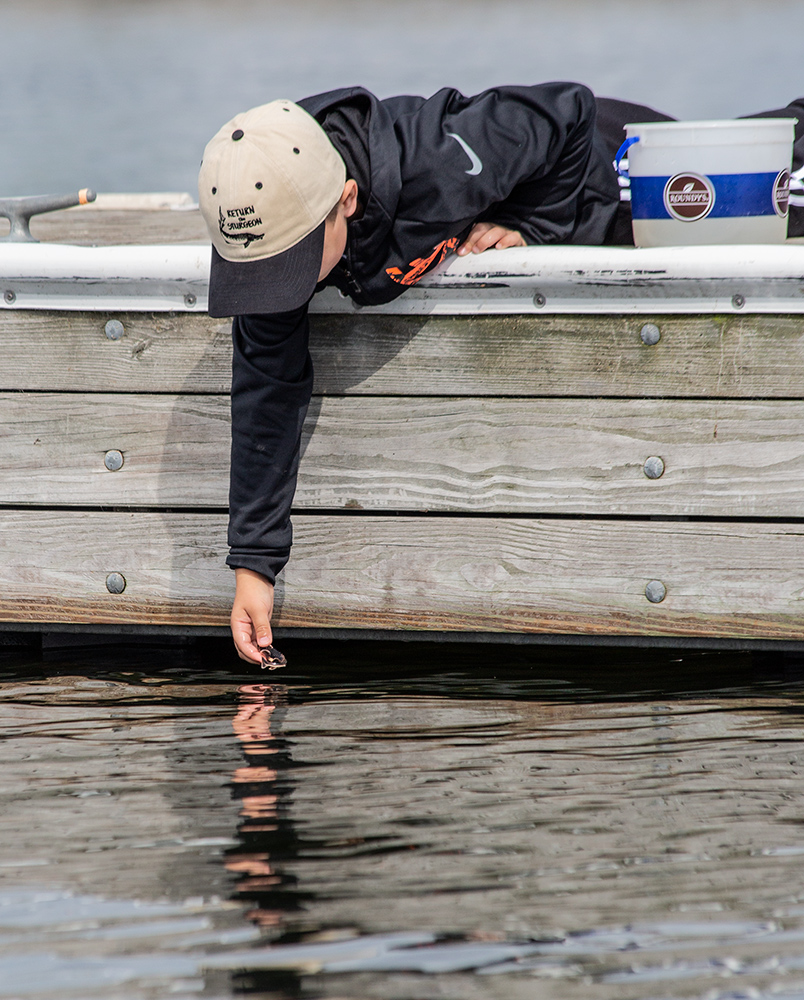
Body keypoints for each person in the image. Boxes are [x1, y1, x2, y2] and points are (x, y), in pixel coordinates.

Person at [198, 84, 804, 664]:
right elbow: (266, 393)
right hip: (562, 182)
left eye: (291, 265)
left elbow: (566, 110)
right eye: (260, 273)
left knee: (777, 180)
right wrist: (254, 566)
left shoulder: (439, 158)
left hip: (611, 172)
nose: (278, 292)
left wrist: (535, 223)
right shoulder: (271, 218)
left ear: (347, 201)